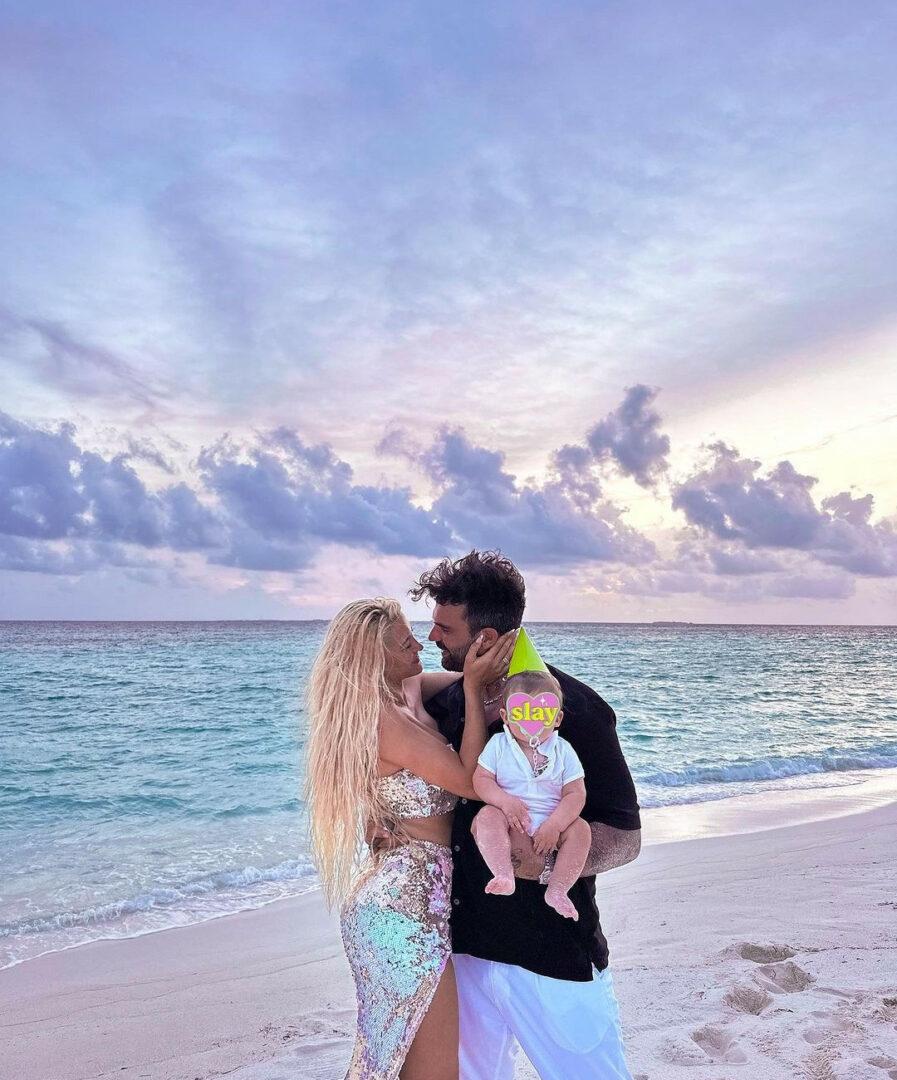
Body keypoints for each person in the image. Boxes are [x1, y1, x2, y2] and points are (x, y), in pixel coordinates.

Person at [412, 551, 642, 1080]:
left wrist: (538, 864)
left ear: (486, 639)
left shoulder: (577, 711)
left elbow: (626, 838)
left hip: (550, 951)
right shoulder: (450, 704)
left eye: (445, 628)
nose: (432, 637)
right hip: (465, 948)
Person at [304, 597, 517, 1080]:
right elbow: (470, 781)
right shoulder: (384, 720)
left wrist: (491, 670)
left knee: (395, 1063)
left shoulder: (407, 691)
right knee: (429, 1070)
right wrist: (473, 692)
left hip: (413, 901)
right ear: (375, 658)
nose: (419, 645)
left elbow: (460, 678)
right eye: (405, 643)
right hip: (400, 913)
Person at [472, 660, 591, 921]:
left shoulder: (563, 750)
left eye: (540, 713)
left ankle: (558, 890)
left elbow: (575, 793)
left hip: (551, 822)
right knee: (486, 817)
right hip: (510, 819)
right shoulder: (498, 745)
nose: (530, 719)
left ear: (557, 718)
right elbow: (481, 779)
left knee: (581, 830)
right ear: (505, 716)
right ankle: (503, 873)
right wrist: (504, 801)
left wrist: (556, 825)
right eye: (521, 712)